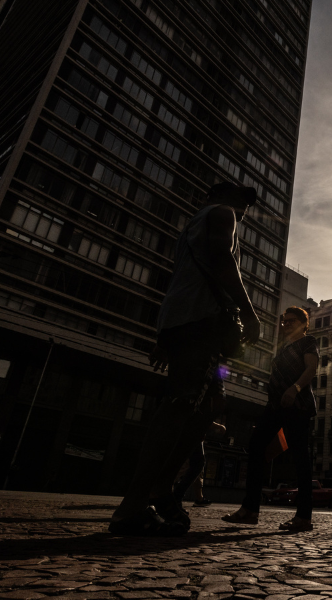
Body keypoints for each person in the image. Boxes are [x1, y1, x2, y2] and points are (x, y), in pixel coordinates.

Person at [109, 182, 261, 536]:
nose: (243, 212)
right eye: (242, 204)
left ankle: (161, 488)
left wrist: (166, 337)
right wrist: (249, 312)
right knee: (180, 405)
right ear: (225, 200)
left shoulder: (192, 225)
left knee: (210, 403)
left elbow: (184, 278)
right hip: (199, 322)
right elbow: (223, 260)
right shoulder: (221, 215)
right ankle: (133, 505)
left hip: (183, 320)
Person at [222, 306, 320, 532]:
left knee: (300, 459)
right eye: (285, 321)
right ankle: (250, 510)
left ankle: (304, 517)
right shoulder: (283, 347)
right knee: (256, 446)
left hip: (297, 405)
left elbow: (311, 369)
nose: (286, 324)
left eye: (292, 321)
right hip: (275, 406)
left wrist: (294, 389)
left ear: (304, 324)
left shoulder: (308, 342)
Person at [173, 422, 227, 508]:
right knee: (194, 465)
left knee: (197, 467)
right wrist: (218, 426)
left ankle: (198, 498)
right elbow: (201, 416)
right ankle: (175, 495)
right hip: (192, 433)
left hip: (193, 434)